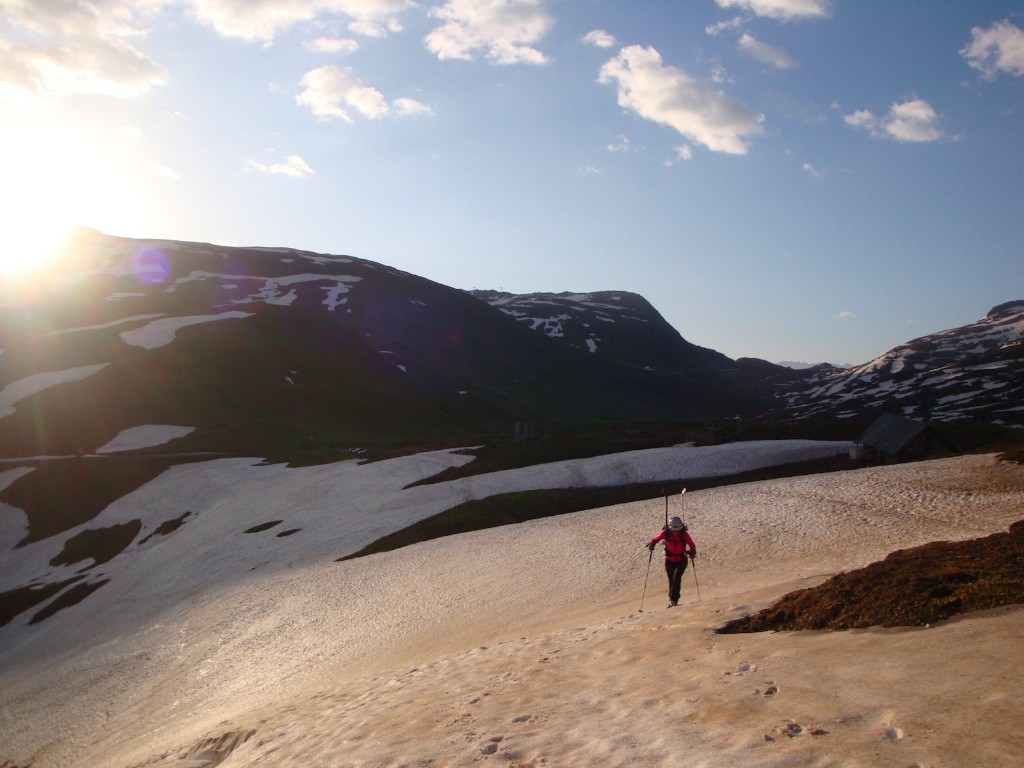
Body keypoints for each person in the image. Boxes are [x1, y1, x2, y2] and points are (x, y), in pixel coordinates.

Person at [647, 516, 697, 607]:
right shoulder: (666, 533)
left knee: (676, 578)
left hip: (681, 560)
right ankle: (672, 600)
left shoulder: (684, 534)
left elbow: (691, 544)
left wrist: (692, 552)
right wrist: (652, 544)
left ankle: (673, 600)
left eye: (677, 531)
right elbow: (656, 538)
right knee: (671, 580)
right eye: (674, 531)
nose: (675, 533)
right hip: (669, 560)